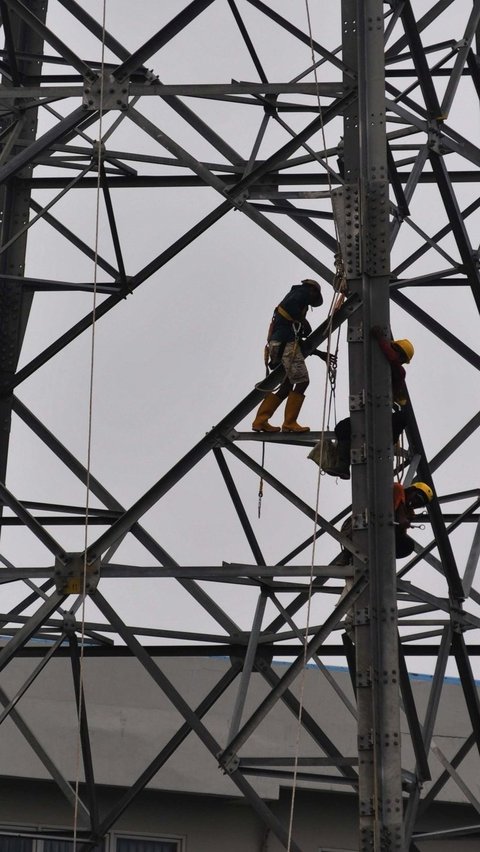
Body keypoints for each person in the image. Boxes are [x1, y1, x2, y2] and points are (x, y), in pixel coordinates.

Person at [324, 326, 414, 479]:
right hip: (369, 413)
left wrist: (380, 339)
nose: (396, 355)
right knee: (342, 428)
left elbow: (392, 359)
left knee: (403, 417)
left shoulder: (399, 371)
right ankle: (343, 466)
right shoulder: (376, 359)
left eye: (400, 355)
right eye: (396, 350)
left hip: (383, 417)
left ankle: (388, 441)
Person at [252, 278, 324, 434]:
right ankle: (289, 423)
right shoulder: (301, 292)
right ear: (312, 290)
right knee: (303, 381)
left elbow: (299, 340)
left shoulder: (293, 297)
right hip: (286, 345)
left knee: (285, 387)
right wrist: (303, 320)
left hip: (279, 345)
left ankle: (260, 420)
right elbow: (290, 306)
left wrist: (319, 354)